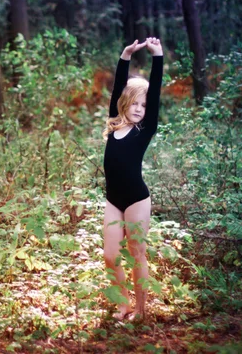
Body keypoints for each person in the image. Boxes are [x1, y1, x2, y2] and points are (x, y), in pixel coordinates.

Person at [102, 37, 163, 320]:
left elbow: (157, 93)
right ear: (124, 103)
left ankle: (140, 310)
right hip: (113, 200)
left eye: (144, 105)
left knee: (137, 253)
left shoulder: (144, 129)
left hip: (137, 199)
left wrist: (158, 56)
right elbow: (118, 87)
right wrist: (125, 55)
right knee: (110, 256)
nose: (139, 109)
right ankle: (123, 303)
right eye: (134, 103)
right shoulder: (116, 122)